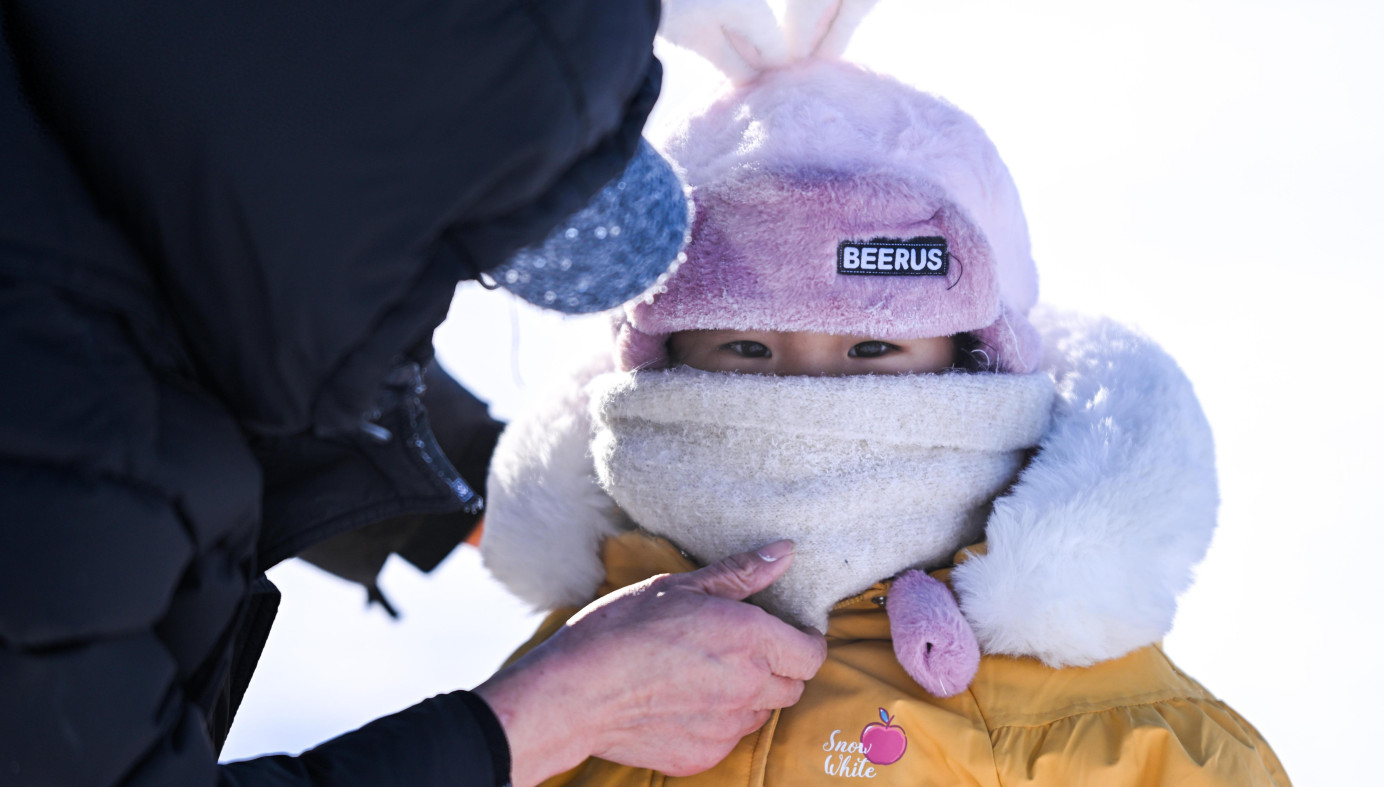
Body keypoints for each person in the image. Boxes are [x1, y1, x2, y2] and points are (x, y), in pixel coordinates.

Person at [0, 1, 825, 785]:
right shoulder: (68, 426)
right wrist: (553, 715)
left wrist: (485, 485)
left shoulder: (111, 111)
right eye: (458, 260)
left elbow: (243, 278)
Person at [477, 1, 1292, 784]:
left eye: (873, 346)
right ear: (660, 359)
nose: (807, 395)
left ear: (975, 355)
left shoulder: (1137, 747)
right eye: (745, 346)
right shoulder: (559, 694)